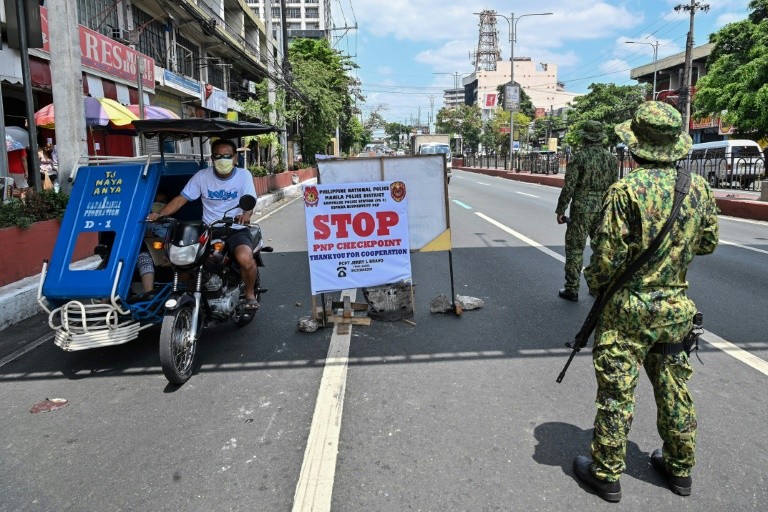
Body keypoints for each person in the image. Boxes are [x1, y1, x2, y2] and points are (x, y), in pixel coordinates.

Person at [572, 101, 719, 502]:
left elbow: (604, 263)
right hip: (675, 310)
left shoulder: (624, 191)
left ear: (634, 146)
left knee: (618, 392)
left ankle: (606, 472)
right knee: (674, 388)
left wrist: (598, 287)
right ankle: (680, 468)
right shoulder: (698, 188)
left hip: (626, 313)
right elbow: (707, 243)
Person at [147, 140, 260, 310]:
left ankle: (250, 294)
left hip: (236, 229)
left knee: (245, 259)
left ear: (235, 158)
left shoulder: (244, 175)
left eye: (227, 156)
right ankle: (199, 294)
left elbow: (249, 202)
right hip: (209, 229)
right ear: (212, 158)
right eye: (218, 156)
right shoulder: (202, 176)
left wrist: (245, 215)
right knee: (182, 261)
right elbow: (180, 199)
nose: (223, 159)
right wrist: (160, 214)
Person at [555, 121, 618, 301]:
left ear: (585, 136)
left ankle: (572, 288)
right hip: (603, 208)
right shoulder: (611, 159)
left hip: (582, 209)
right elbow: (615, 186)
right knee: (601, 249)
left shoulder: (579, 157)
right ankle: (597, 286)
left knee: (575, 249)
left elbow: (569, 186)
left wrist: (561, 209)